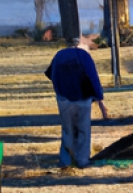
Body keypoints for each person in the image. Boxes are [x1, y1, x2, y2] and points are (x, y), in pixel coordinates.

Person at [45, 37, 108, 168]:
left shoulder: (59, 55)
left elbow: (50, 73)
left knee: (67, 130)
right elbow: (93, 78)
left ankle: (66, 160)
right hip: (82, 98)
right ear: (81, 44)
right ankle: (82, 160)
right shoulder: (84, 55)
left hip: (63, 98)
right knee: (83, 130)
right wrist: (99, 99)